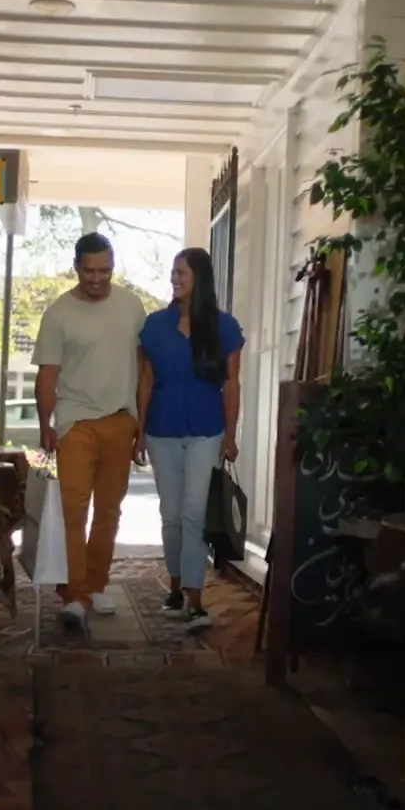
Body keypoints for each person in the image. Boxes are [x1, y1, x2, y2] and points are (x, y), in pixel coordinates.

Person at [33, 232, 148, 627]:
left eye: (105, 271)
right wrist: (44, 423)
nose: (97, 278)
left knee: (109, 511)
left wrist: (141, 425)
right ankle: (74, 594)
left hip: (121, 419)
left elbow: (143, 369)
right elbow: (48, 374)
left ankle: (96, 585)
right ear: (76, 267)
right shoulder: (58, 314)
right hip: (75, 421)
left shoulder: (132, 307)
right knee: (72, 509)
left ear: (113, 267)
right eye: (89, 271)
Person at [134, 247, 243, 629]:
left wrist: (230, 433)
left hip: (206, 430)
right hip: (161, 429)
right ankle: (176, 585)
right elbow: (144, 379)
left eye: (181, 272)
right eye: (172, 273)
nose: (174, 279)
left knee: (194, 512)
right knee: (172, 514)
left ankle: (196, 599)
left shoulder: (224, 327)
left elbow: (231, 385)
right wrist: (139, 433)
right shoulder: (153, 325)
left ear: (200, 277)